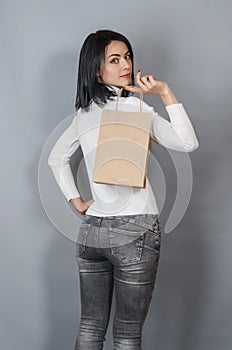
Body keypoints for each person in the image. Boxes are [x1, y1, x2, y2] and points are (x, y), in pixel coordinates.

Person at [47, 29, 199, 350]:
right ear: (96, 69)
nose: (125, 64)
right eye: (114, 59)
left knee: (90, 329)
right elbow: (188, 143)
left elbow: (56, 159)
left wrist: (77, 203)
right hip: (136, 231)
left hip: (92, 234)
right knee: (127, 337)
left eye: (127, 56)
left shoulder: (83, 115)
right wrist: (165, 92)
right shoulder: (139, 109)